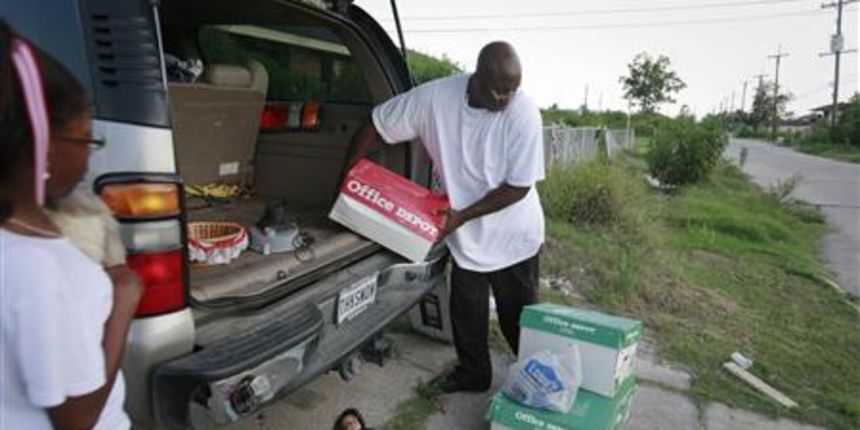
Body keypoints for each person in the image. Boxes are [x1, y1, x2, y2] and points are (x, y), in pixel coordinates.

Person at [345, 41, 545, 393]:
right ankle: (473, 374)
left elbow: (519, 187)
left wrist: (462, 216)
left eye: (512, 91)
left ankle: (535, 384)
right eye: (499, 91)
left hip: (515, 235)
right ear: (477, 78)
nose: (506, 100)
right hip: (465, 234)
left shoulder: (523, 112)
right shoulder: (435, 99)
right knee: (467, 313)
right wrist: (347, 178)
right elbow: (375, 125)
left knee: (520, 324)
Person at [0, 21, 140, 429]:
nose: (89, 159)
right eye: (86, 140)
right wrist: (123, 299)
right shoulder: (35, 267)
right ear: (43, 144)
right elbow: (76, 419)